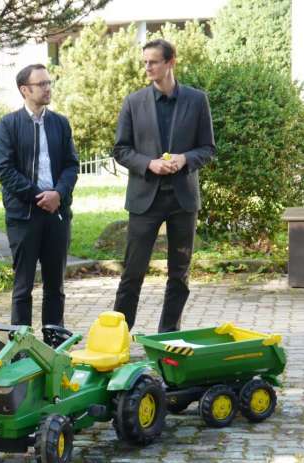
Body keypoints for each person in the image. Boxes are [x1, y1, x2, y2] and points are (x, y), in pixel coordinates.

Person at [113, 39, 215, 332]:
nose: (147, 67)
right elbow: (121, 149)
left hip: (183, 200)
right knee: (132, 273)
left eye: (154, 61)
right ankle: (118, 335)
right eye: (145, 62)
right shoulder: (134, 102)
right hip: (145, 198)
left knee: (179, 274)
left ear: (171, 62)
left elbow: (207, 148)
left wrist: (185, 158)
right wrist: (150, 164)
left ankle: (168, 335)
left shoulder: (197, 100)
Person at [0, 64, 79, 328]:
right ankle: (21, 351)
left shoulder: (60, 123)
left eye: (48, 82)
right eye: (41, 84)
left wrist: (58, 194)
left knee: (56, 287)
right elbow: (4, 170)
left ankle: (54, 347)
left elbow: (71, 165)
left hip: (57, 214)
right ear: (25, 89)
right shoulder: (8, 125)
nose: (47, 88)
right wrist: (40, 196)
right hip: (24, 215)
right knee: (22, 288)